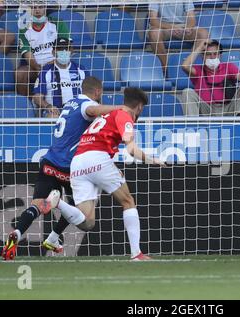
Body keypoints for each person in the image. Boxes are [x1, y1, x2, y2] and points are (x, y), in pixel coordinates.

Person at [1, 77, 121, 260]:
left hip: (49, 162)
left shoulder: (69, 103)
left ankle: (18, 233)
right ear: (97, 92)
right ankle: (54, 227)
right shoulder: (86, 105)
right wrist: (120, 109)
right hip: (68, 167)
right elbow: (93, 110)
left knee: (36, 205)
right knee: (81, 212)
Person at [46, 87, 165, 261]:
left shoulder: (106, 115)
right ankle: (136, 254)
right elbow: (131, 149)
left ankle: (58, 203)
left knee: (87, 222)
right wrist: (152, 160)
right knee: (128, 201)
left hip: (78, 162)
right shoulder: (126, 115)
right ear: (139, 107)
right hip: (98, 158)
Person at [181, 39, 240, 116]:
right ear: (203, 56)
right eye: (208, 54)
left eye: (215, 54)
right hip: (207, 109)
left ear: (220, 55)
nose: (212, 57)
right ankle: (193, 124)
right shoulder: (198, 70)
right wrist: (199, 48)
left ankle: (239, 120)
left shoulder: (228, 66)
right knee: (187, 92)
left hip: (228, 108)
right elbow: (185, 66)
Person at [16, 4, 70, 97]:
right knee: (20, 73)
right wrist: (38, 67)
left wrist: (54, 63)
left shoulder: (58, 23)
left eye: (40, 7)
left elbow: (65, 49)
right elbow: (27, 54)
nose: (37, 11)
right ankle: (25, 106)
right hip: (36, 66)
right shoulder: (24, 29)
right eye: (34, 7)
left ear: (45, 8)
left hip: (56, 64)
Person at [33, 37, 87, 118]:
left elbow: (90, 94)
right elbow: (37, 97)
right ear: (53, 52)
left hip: (78, 111)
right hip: (55, 111)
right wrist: (48, 106)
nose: (64, 51)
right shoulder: (45, 72)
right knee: (52, 116)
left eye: (67, 48)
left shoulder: (81, 70)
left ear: (72, 51)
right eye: (60, 49)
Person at [148, 1, 208, 73]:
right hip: (163, 27)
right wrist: (171, 27)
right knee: (154, 33)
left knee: (204, 34)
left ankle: (189, 66)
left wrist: (189, 27)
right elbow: (153, 20)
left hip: (182, 27)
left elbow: (191, 18)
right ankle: (166, 70)